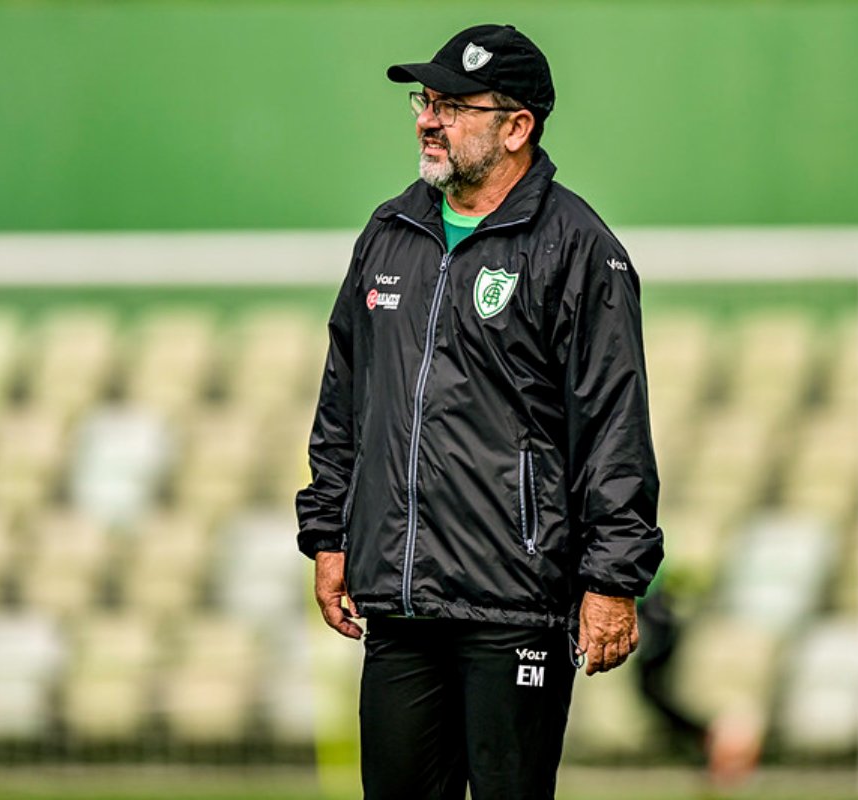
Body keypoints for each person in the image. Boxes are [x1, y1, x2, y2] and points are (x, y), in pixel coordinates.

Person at [296, 23, 663, 800]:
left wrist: (613, 580)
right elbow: (344, 403)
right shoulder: (389, 233)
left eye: (455, 105)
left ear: (517, 126)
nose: (429, 119)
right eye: (424, 101)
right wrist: (328, 536)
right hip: (399, 606)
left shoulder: (579, 248)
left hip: (515, 605)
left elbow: (614, 429)